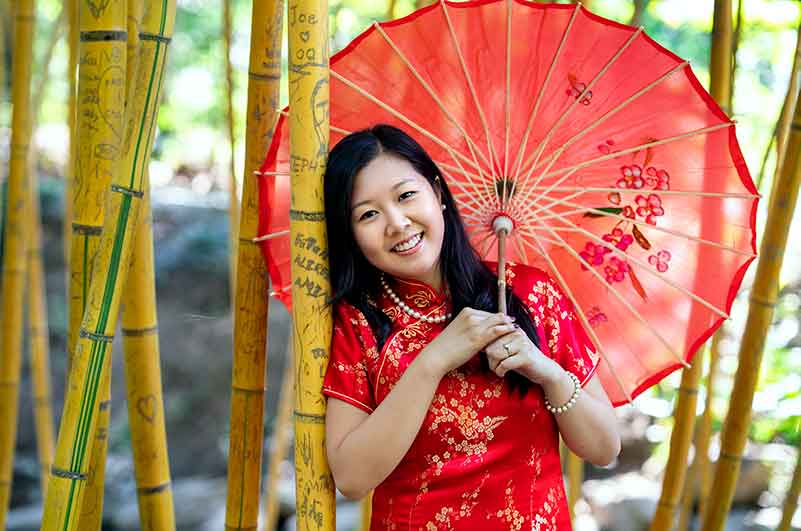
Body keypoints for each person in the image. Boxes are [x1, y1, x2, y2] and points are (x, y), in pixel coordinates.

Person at [321, 124, 620, 530]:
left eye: (406, 196)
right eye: (368, 214)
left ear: (438, 194)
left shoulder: (530, 294)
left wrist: (546, 372)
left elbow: (604, 448)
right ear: (351, 234)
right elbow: (353, 478)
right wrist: (434, 360)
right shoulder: (358, 322)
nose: (397, 223)